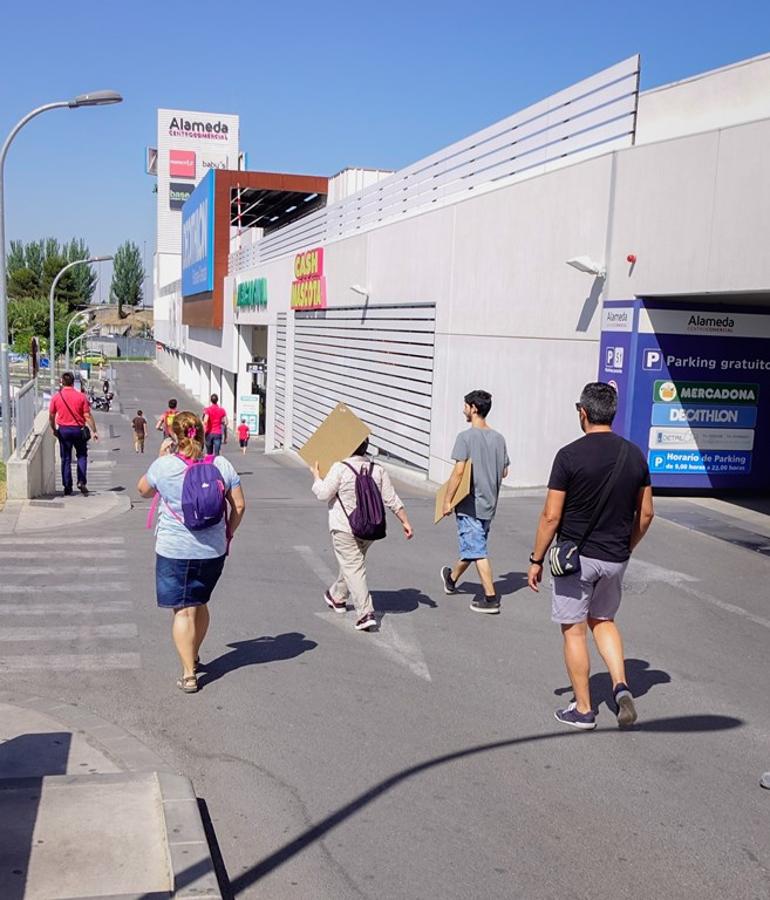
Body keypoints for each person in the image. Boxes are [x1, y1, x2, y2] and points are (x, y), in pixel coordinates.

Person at [527, 382, 654, 730]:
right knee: (604, 620)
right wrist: (627, 545)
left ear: (583, 413)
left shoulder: (569, 456)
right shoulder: (635, 455)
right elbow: (646, 514)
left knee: (574, 630)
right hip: (615, 556)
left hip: (575, 558)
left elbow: (551, 516)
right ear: (612, 413)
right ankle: (621, 685)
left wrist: (536, 559)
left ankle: (583, 709)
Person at [137, 411, 246, 693]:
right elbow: (240, 506)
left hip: (174, 550)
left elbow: (143, 491)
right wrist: (228, 532)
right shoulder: (221, 463)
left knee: (182, 611)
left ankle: (188, 673)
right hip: (212, 551)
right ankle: (193, 654)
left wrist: (161, 456)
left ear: (175, 435)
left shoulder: (165, 466)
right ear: (201, 431)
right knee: (199, 603)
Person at [310, 438, 413, 631]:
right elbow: (392, 499)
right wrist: (405, 521)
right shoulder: (378, 469)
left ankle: (365, 613)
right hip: (370, 529)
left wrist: (316, 477)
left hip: (344, 527)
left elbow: (323, 494)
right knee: (353, 564)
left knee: (353, 567)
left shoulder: (340, 468)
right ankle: (337, 597)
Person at [439, 389, 509, 614]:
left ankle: (490, 598)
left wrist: (447, 501)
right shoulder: (499, 439)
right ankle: (451, 578)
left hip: (470, 504)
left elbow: (459, 473)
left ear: (474, 409)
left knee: (477, 550)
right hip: (489, 503)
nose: (463, 410)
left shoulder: (465, 437)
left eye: (465, 406)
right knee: (474, 545)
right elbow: (504, 471)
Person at [49, 372, 99, 496]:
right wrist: (94, 431)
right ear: (73, 382)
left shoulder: (56, 397)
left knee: (65, 458)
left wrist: (54, 429)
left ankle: (67, 486)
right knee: (82, 455)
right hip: (79, 430)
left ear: (62, 382)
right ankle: (81, 481)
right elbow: (87, 415)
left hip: (64, 431)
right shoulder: (81, 397)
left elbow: (51, 415)